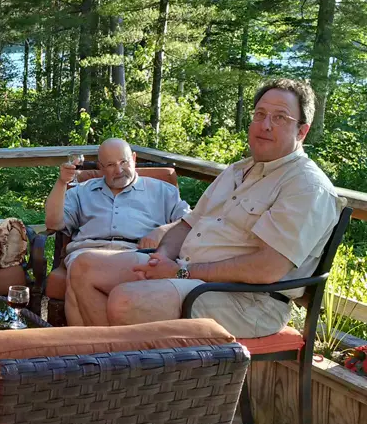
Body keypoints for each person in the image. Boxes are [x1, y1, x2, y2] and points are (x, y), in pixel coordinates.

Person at [68, 78, 342, 338]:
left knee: (125, 301)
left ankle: (119, 362)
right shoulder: (236, 171)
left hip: (245, 300)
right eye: (260, 114)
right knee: (84, 267)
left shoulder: (306, 186)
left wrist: (181, 272)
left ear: (302, 131)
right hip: (188, 272)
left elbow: (266, 269)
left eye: (280, 117)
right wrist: (160, 258)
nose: (265, 125)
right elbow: (187, 224)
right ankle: (114, 361)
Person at [45, 138, 190, 326]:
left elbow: (190, 221)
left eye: (124, 162)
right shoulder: (82, 192)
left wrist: (162, 231)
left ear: (134, 159)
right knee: (81, 267)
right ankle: (112, 341)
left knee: (78, 276)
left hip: (135, 252)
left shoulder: (162, 191)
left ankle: (94, 342)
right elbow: (53, 223)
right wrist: (61, 182)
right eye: (111, 165)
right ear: (100, 167)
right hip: (87, 251)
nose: (119, 170)